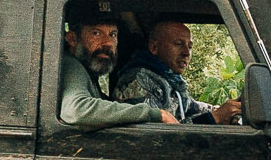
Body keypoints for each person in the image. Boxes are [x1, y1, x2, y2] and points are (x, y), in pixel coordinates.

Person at [112, 19, 242, 125]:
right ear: (154, 47)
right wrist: (214, 118)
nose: (186, 53)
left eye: (190, 46)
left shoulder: (170, 79)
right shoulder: (138, 80)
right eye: (178, 44)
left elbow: (192, 107)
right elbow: (156, 137)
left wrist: (226, 109)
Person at [58, 13, 175, 127]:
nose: (108, 43)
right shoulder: (69, 65)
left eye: (113, 35)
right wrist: (157, 114)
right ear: (72, 39)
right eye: (96, 33)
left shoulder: (87, 71)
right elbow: (77, 110)